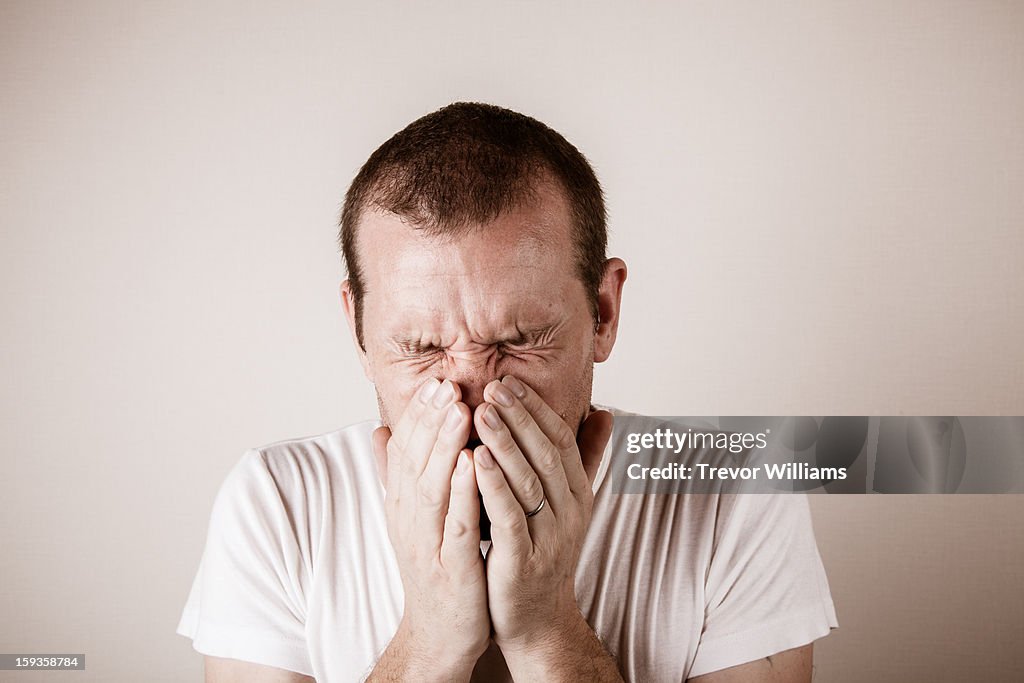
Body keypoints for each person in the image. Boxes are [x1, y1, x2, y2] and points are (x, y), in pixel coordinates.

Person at [177, 102, 838, 682]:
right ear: (358, 330)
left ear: (603, 312)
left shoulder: (737, 493)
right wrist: (430, 641)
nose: (471, 395)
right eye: (422, 347)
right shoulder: (276, 503)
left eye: (520, 337)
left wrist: (546, 629)